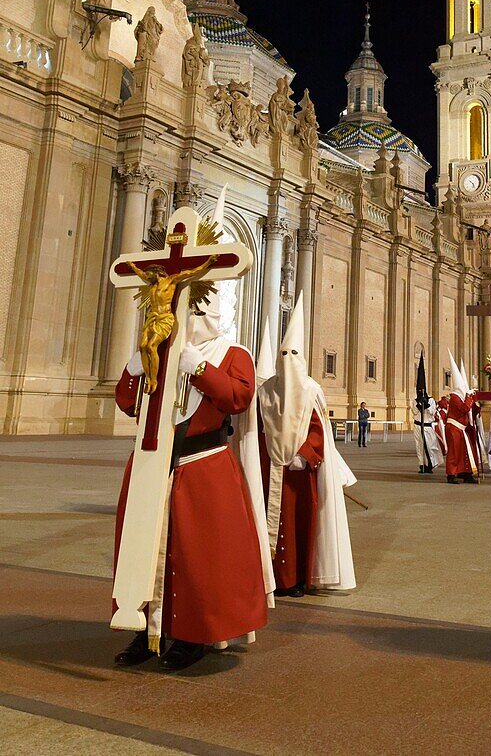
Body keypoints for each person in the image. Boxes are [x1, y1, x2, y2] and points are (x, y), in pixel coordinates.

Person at [113, 188, 274, 672]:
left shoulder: (231, 354)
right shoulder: (157, 346)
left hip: (202, 464)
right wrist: (133, 369)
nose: (195, 314)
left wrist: (198, 369)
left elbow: (239, 398)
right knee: (142, 546)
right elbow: (127, 404)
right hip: (151, 463)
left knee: (200, 555)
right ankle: (144, 629)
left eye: (202, 307)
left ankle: (192, 633)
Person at [258, 294, 356, 597]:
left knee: (300, 524)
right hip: (271, 471)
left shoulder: (312, 389)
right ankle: (272, 576)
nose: (287, 359)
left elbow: (319, 429)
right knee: (268, 522)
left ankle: (298, 578)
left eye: (293, 353)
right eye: (283, 353)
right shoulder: (266, 390)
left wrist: (305, 455)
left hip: (301, 474)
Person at [444, 352, 491, 484]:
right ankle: (451, 474)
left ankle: (466, 473)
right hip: (454, 427)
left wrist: (476, 402)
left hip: (463, 429)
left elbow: (472, 410)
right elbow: (464, 409)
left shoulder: (464, 396)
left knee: (466, 451)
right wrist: (469, 398)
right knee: (454, 452)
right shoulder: (455, 397)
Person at [411, 353, 444, 474]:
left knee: (430, 446)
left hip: (428, 426)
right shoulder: (414, 400)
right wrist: (419, 406)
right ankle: (422, 464)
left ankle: (431, 463)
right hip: (418, 425)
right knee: (419, 446)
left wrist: (427, 405)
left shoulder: (430, 400)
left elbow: (432, 412)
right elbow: (414, 412)